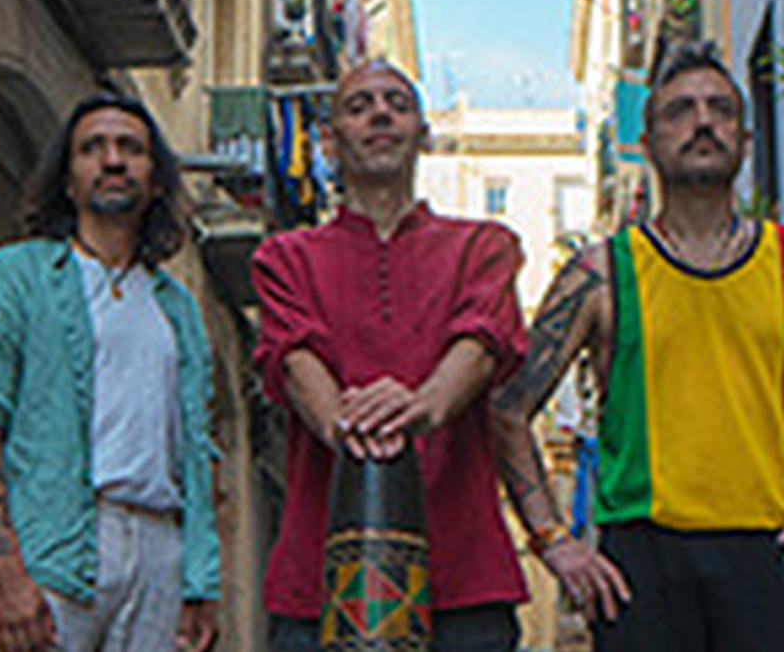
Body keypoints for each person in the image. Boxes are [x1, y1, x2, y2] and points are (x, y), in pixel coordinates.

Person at [491, 41, 784, 652]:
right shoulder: (603, 273)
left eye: (720, 109)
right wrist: (552, 540)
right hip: (644, 567)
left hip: (781, 552)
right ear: (647, 143)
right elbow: (508, 407)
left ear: (745, 140)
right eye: (680, 110)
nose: (702, 122)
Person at [251, 59, 615, 652]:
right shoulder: (283, 257)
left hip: (463, 584)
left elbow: (482, 346)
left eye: (397, 104)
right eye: (359, 105)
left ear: (423, 135)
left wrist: (421, 406)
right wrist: (344, 423)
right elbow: (294, 360)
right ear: (330, 141)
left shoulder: (485, 247)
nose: (380, 113)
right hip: (320, 583)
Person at [0, 94, 221, 652]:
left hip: (160, 555)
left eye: (132, 148)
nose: (113, 160)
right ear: (68, 182)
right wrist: (8, 574)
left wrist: (199, 581)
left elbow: (197, 454)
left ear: (156, 181)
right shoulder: (15, 275)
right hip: (47, 549)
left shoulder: (179, 309)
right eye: (92, 148)